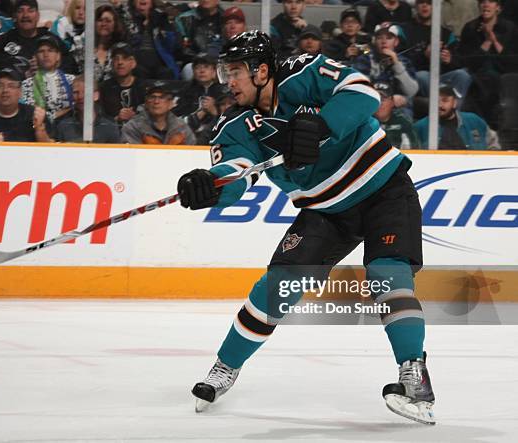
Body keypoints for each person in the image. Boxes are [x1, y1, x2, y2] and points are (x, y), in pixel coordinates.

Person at [176, 31, 435, 425]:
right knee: (279, 284)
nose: (227, 82)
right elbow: (238, 171)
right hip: (326, 210)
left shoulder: (304, 72)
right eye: (224, 72)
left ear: (262, 71)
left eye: (234, 72)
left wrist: (322, 126)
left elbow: (363, 92)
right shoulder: (236, 126)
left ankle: (414, 376)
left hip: (384, 187)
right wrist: (211, 187)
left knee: (387, 275)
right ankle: (225, 366)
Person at [458, 0, 518, 129]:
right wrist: (487, 42)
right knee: (481, 80)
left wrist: (493, 39)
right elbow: (467, 61)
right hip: (476, 72)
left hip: (502, 71)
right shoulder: (470, 28)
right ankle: (486, 126)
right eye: (483, 2)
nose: (486, 5)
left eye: (491, 1)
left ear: (498, 8)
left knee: (490, 79)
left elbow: (511, 61)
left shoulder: (509, 28)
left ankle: (486, 125)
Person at [402, 0, 471, 103]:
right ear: (416, 6)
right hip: (418, 77)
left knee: (463, 75)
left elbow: (459, 61)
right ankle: (442, 106)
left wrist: (449, 60)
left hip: (442, 77)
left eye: (429, 3)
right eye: (421, 2)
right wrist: (424, 55)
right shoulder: (405, 30)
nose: (425, 6)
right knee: (422, 75)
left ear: (436, 7)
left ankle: (453, 112)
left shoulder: (446, 33)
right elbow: (402, 61)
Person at [0, 0, 76, 76]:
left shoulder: (51, 39)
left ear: (38, 16)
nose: (25, 15)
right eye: (20, 11)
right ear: (15, 16)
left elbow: (71, 66)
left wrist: (49, 70)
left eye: (30, 11)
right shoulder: (4, 41)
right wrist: (24, 75)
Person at [352, 23, 419, 112]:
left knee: (406, 106)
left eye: (389, 38)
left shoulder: (404, 61)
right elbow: (358, 87)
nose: (384, 41)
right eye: (380, 38)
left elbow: (411, 91)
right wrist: (382, 99)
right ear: (374, 41)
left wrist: (396, 64)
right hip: (371, 104)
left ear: (396, 42)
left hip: (396, 107)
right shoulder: (365, 59)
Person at [414, 84, 500, 149]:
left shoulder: (474, 120)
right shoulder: (420, 127)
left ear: (455, 103)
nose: (439, 105)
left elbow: (493, 144)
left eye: (445, 100)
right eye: (435, 100)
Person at [117, 0, 181, 80]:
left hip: (160, 62)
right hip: (137, 62)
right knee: (138, 72)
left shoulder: (161, 17)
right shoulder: (128, 19)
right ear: (133, 2)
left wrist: (165, 25)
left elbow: (172, 46)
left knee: (167, 73)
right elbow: (126, 38)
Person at [21, 35, 75, 126]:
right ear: (36, 57)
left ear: (58, 56)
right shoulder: (27, 84)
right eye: (41, 51)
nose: (46, 55)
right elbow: (32, 113)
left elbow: (76, 107)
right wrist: (62, 113)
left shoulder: (72, 80)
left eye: (50, 50)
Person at [173, 53, 225, 144]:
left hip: (216, 138)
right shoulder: (185, 91)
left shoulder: (224, 91)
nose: (201, 71)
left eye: (206, 67)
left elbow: (231, 120)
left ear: (214, 70)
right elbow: (175, 121)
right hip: (187, 138)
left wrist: (215, 112)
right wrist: (200, 114)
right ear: (193, 71)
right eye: (197, 67)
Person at [121, 82, 196, 145]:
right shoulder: (132, 127)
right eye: (152, 97)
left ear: (170, 103)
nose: (156, 102)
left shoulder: (182, 128)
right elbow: (132, 156)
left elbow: (192, 155)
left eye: (162, 97)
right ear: (146, 103)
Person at [55, 76, 121, 143]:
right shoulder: (64, 126)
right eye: (76, 92)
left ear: (96, 95)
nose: (80, 96)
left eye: (85, 92)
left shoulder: (109, 127)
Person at [71, 5, 126, 83]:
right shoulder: (81, 50)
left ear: (115, 24)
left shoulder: (121, 49)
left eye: (108, 21)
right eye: (100, 20)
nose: (103, 24)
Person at [99, 42, 148, 126]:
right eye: (116, 58)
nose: (120, 62)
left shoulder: (144, 87)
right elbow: (99, 117)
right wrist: (117, 119)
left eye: (125, 58)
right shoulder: (104, 88)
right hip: (112, 134)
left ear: (133, 63)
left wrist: (135, 117)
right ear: (111, 63)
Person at [373, 81, 420, 148]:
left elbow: (415, 149)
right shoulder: (363, 122)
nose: (379, 103)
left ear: (392, 102)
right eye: (376, 99)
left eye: (383, 99)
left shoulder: (403, 122)